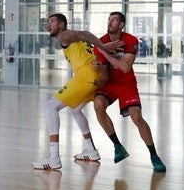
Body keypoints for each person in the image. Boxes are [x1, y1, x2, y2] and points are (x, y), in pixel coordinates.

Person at [32, 13, 122, 170]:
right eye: (48, 22)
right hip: (95, 78)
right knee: (75, 110)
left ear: (62, 25)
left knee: (50, 107)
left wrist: (102, 45)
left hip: (86, 76)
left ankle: (53, 158)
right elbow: (84, 35)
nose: (49, 25)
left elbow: (83, 33)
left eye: (52, 21)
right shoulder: (73, 38)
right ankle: (91, 151)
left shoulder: (64, 35)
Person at [92, 11, 166, 172]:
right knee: (98, 105)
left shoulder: (130, 40)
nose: (110, 22)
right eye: (109, 19)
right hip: (109, 84)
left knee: (137, 117)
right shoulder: (101, 41)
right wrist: (96, 66)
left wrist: (104, 51)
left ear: (121, 24)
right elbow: (100, 67)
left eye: (114, 20)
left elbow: (125, 67)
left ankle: (154, 156)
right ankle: (118, 146)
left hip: (126, 83)